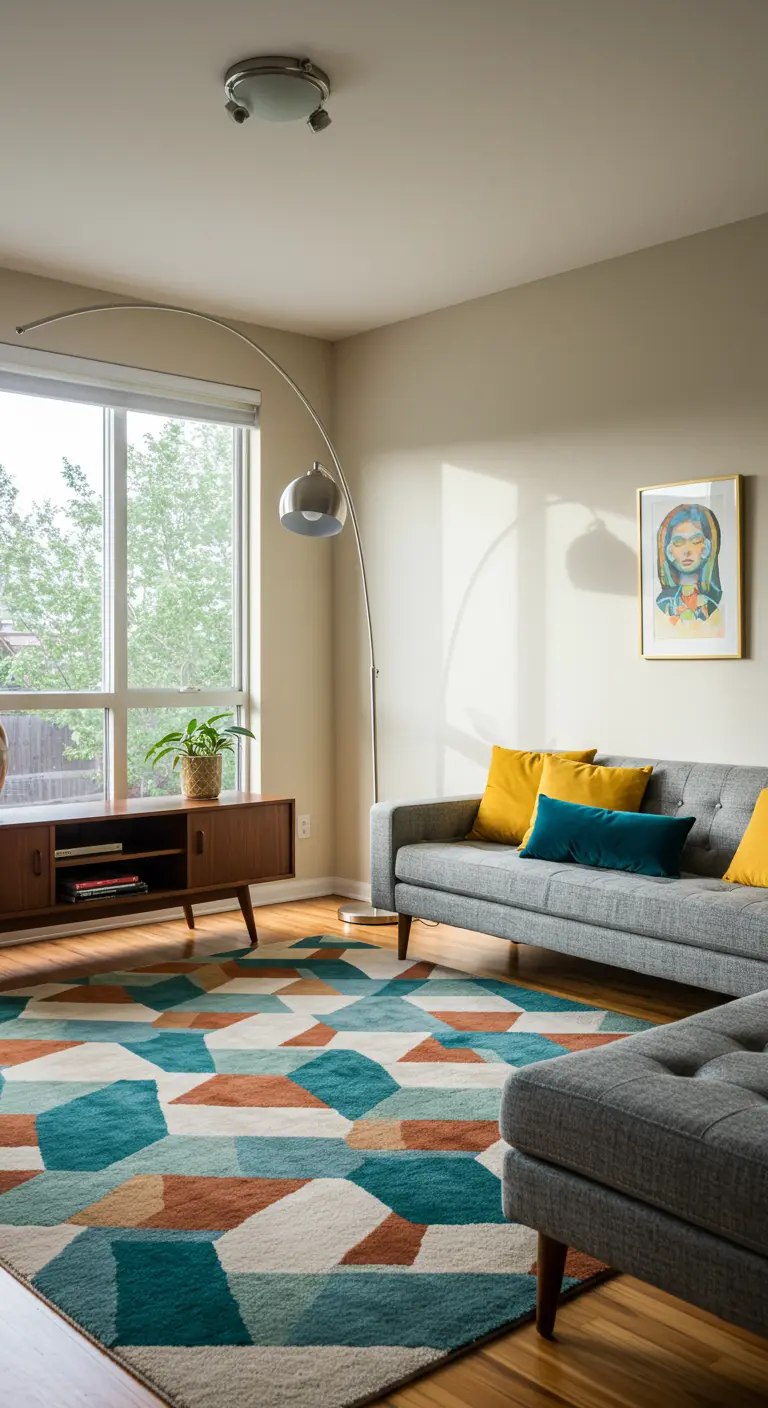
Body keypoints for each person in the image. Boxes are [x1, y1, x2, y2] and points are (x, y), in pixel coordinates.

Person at [655, 503, 723, 629]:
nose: (687, 551)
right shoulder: (662, 604)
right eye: (678, 542)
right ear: (668, 550)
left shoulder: (715, 604)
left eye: (696, 540)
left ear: (707, 548)